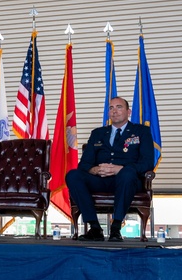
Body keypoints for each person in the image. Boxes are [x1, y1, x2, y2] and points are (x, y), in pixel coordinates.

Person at [65, 97, 154, 242]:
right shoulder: (98, 133)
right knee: (73, 175)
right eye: (111, 108)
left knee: (128, 173)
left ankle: (116, 228)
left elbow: (147, 163)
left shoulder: (141, 132)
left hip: (127, 180)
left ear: (128, 111)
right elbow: (84, 164)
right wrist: (95, 170)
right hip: (100, 179)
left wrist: (121, 169)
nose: (115, 111)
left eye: (119, 107)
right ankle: (95, 228)